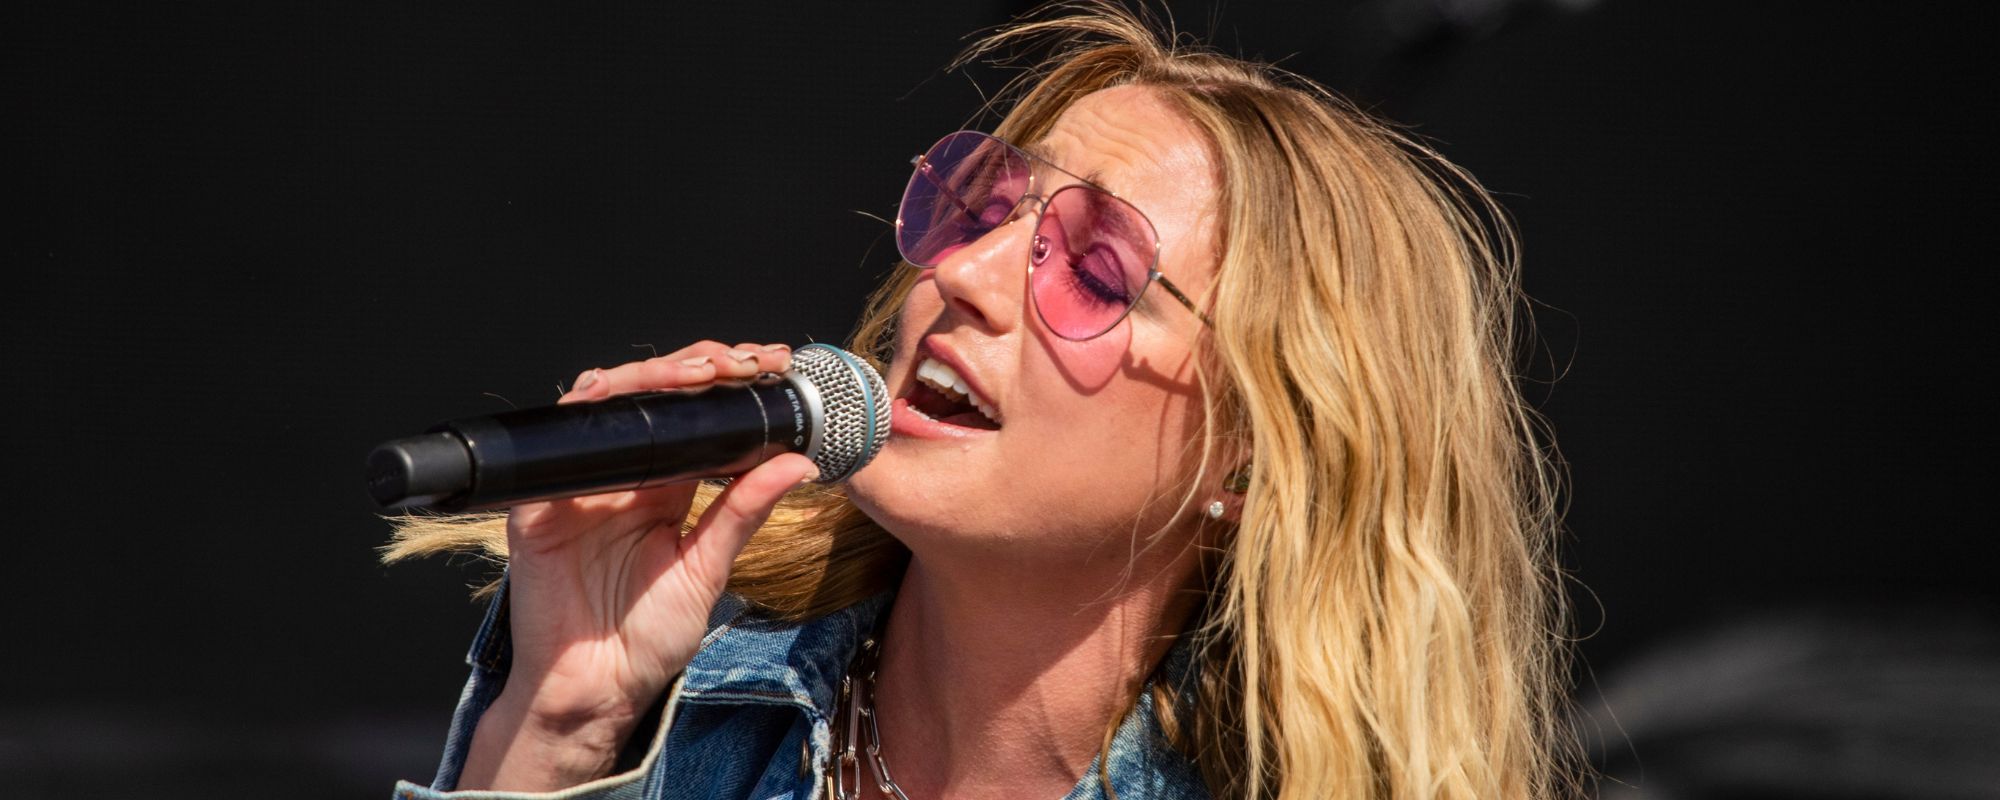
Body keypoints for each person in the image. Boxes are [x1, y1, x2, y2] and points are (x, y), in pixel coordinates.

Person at [384, 4, 1576, 798]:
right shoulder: (695, 710)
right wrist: (553, 729)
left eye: (1098, 268)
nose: (958, 274)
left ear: (1254, 457)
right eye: (987, 211)